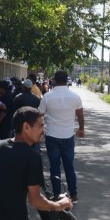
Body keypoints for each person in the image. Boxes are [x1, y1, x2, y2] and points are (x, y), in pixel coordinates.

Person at [38, 71, 84, 202]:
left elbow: (39, 114)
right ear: (67, 80)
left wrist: (40, 130)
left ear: (54, 80)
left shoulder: (47, 97)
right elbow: (80, 115)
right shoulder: (75, 97)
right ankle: (73, 194)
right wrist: (81, 129)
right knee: (69, 166)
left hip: (52, 135)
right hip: (68, 136)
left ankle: (57, 195)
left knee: (55, 166)